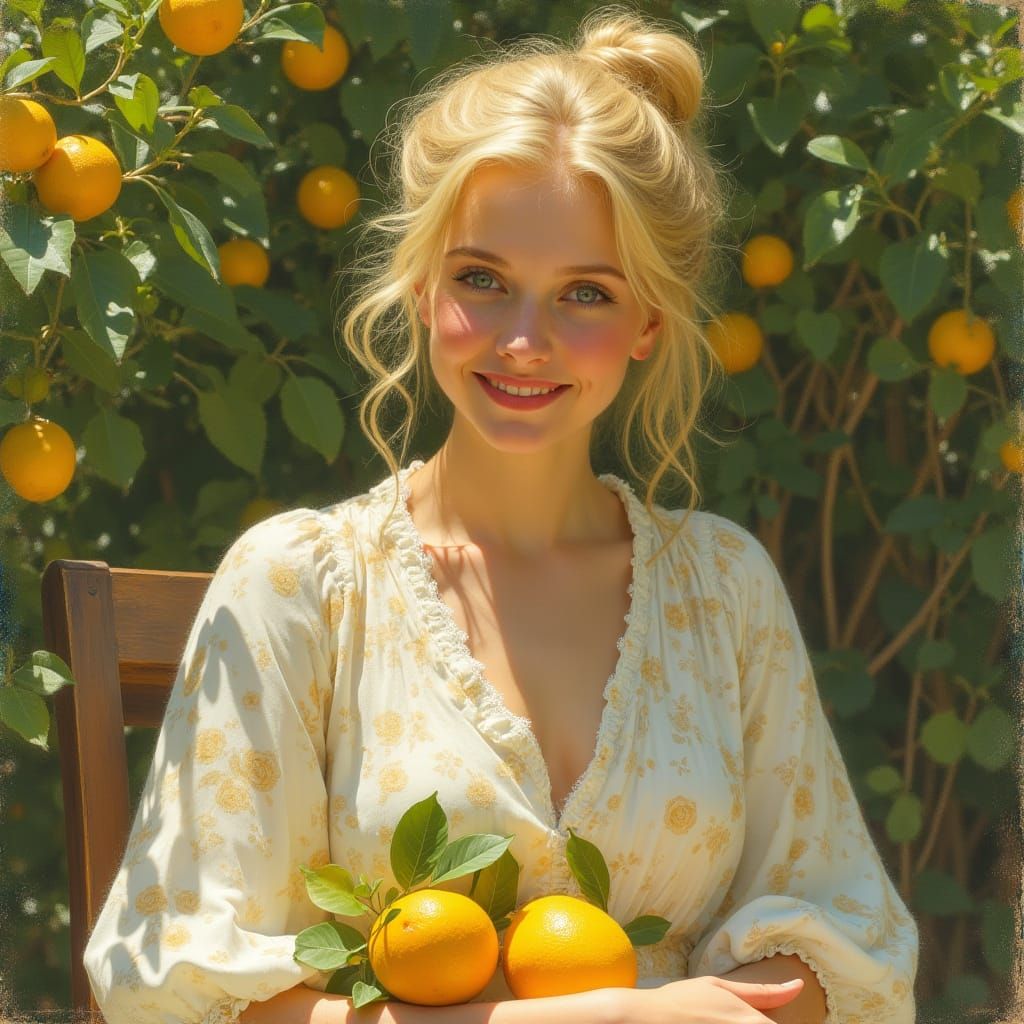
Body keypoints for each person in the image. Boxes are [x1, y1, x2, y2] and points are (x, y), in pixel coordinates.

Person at [83, 7, 919, 1024]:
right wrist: (609, 1017)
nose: (524, 340)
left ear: (649, 321)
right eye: (483, 280)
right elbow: (189, 987)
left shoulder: (721, 587)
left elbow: (842, 949)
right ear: (423, 281)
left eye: (584, 294)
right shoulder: (300, 582)